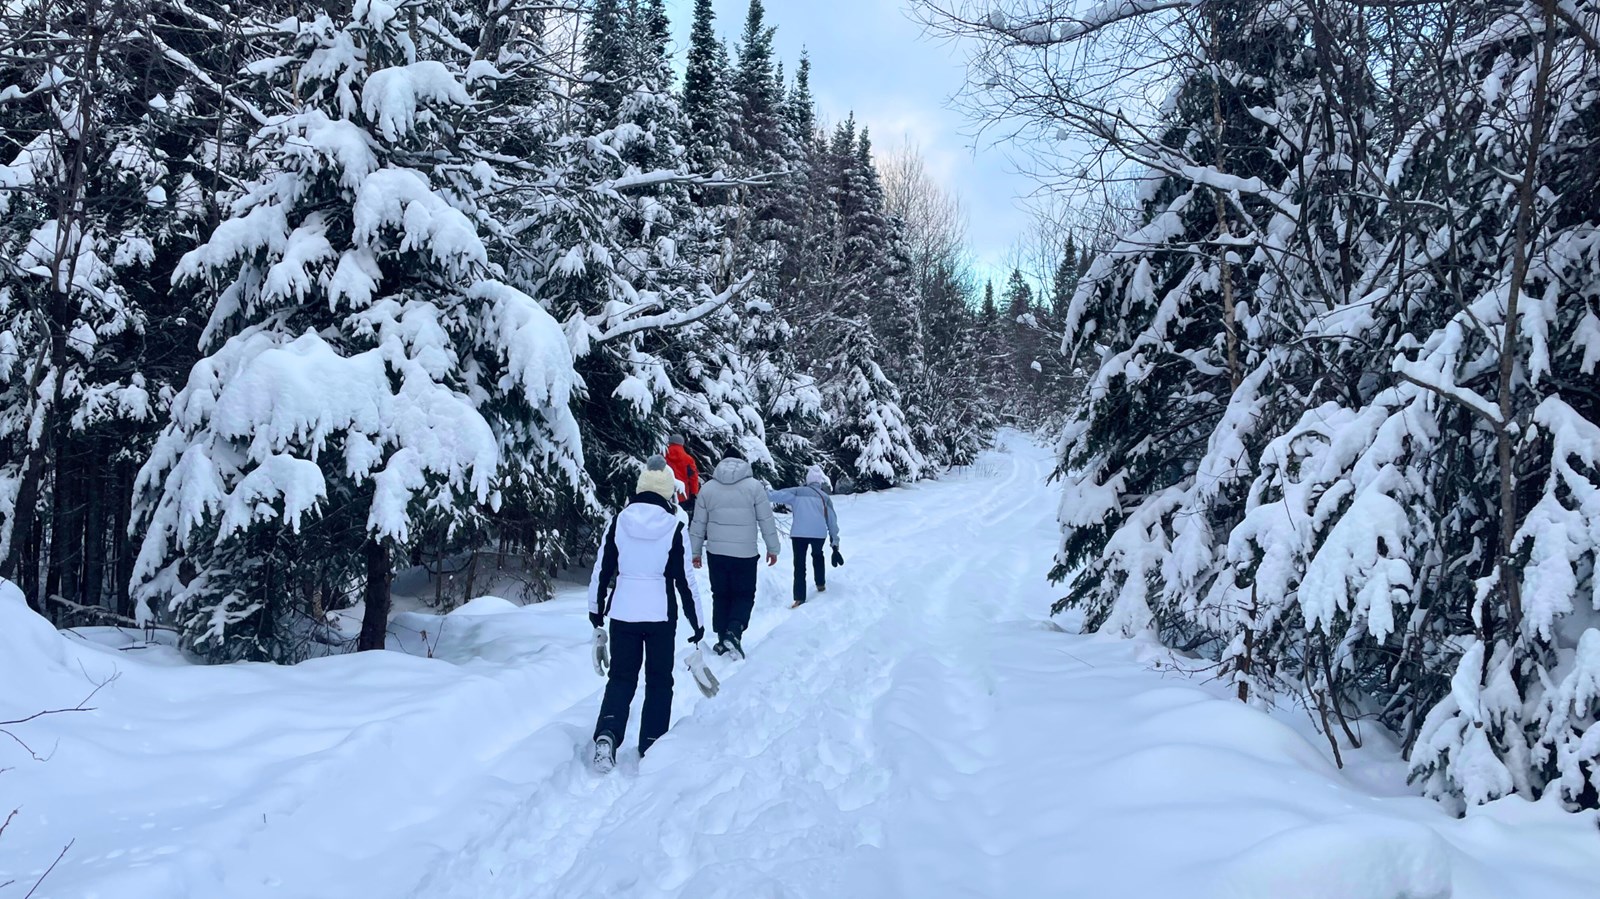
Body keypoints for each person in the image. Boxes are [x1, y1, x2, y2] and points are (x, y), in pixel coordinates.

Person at [587, 456, 707, 773]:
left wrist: (596, 613)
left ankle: (607, 735)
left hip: (623, 614)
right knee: (659, 681)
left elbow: (602, 570)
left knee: (621, 677)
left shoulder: (618, 522)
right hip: (660, 617)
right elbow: (685, 580)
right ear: (668, 493)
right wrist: (697, 623)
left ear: (640, 489)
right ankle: (652, 744)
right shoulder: (675, 527)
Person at [689, 454, 779, 659]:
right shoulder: (754, 487)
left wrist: (695, 552)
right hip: (745, 554)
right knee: (744, 594)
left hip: (716, 553)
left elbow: (698, 523)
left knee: (720, 594)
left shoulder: (708, 488)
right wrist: (773, 548)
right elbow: (766, 519)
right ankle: (734, 630)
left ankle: (722, 638)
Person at [768, 464, 840, 608]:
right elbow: (832, 520)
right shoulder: (825, 497)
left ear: (807, 480)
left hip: (799, 534)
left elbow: (774, 495)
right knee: (818, 556)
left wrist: (759, 490)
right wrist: (835, 540)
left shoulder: (797, 492)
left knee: (799, 564)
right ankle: (820, 584)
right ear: (819, 482)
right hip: (819, 534)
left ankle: (799, 598)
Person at [664, 433, 701, 520]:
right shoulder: (688, 459)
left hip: (664, 492)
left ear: (670, 442)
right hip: (682, 494)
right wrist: (694, 492)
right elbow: (693, 477)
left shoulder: (663, 456)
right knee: (681, 518)